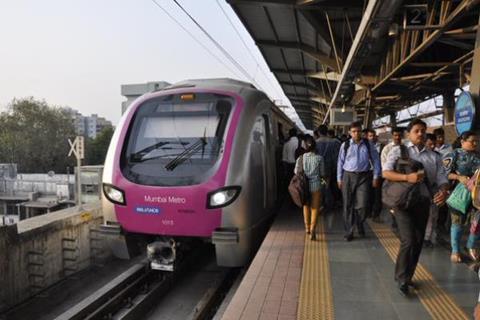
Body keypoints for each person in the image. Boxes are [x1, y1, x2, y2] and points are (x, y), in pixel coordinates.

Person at [383, 118, 449, 296]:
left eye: (423, 131)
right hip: (403, 203)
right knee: (409, 239)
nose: (420, 134)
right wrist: (406, 178)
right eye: (416, 131)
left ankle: (408, 275)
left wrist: (444, 191)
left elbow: (442, 180)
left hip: (423, 202)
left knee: (419, 240)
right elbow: (386, 172)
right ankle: (402, 278)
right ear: (408, 133)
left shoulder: (434, 157)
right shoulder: (399, 151)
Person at [337, 121, 381, 241]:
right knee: (347, 204)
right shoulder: (345, 145)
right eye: (354, 131)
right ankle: (349, 231)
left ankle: (359, 222)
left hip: (364, 176)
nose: (356, 133)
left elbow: (376, 160)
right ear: (350, 133)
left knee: (363, 204)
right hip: (348, 176)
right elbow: (340, 162)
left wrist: (376, 176)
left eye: (358, 131)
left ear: (362, 132)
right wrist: (339, 178)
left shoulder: (368, 144)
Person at [443, 130, 480, 263]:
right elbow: (444, 174)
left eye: (477, 141)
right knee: (457, 222)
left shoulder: (478, 155)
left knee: (477, 221)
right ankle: (455, 250)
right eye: (472, 141)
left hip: (477, 195)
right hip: (459, 193)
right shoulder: (454, 155)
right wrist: (458, 177)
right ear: (462, 141)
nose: (475, 143)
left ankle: (472, 245)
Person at [294, 135, 325, 240]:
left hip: (304, 187)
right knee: (315, 208)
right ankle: (313, 229)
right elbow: (323, 173)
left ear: (305, 147)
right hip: (316, 186)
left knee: (306, 206)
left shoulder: (300, 158)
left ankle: (307, 228)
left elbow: (296, 172)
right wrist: (323, 183)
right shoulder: (319, 158)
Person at [380, 127, 404, 228]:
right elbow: (384, 164)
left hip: (403, 179)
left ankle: (399, 219)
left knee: (401, 201)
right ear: (392, 136)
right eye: (395, 135)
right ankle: (394, 218)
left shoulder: (406, 148)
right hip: (391, 179)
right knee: (393, 201)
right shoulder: (387, 148)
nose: (397, 137)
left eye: (399, 135)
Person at [366, 128, 384, 222]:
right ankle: (368, 212)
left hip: (378, 174)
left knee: (377, 195)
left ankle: (376, 214)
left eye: (373, 136)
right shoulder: (365, 146)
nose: (372, 138)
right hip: (367, 173)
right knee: (368, 194)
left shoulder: (382, 146)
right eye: (370, 136)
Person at [282, 128, 299, 197]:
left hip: (289, 166)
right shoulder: (301, 142)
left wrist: (285, 170)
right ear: (296, 134)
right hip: (298, 165)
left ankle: (291, 195)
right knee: (298, 182)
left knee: (290, 181)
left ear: (289, 134)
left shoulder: (286, 144)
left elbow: (284, 159)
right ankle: (298, 195)